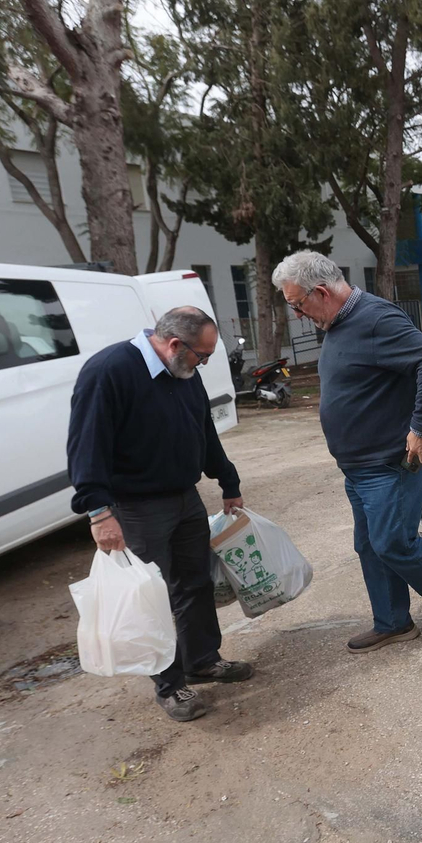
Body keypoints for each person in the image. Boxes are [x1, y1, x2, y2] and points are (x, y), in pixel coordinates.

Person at [271, 251, 422, 652]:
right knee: (369, 545)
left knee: (392, 542)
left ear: (322, 292)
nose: (297, 314)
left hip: (390, 464)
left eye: (297, 304)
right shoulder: (339, 323)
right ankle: (393, 622)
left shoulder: (377, 320)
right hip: (359, 466)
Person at [67, 306, 252, 722]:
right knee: (152, 597)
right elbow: (85, 446)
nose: (204, 363)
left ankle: (202, 661)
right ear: (174, 345)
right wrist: (99, 512)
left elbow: (203, 432)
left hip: (184, 498)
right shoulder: (109, 372)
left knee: (195, 583)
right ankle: (170, 687)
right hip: (135, 508)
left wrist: (229, 481)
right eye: (201, 355)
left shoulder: (186, 374)